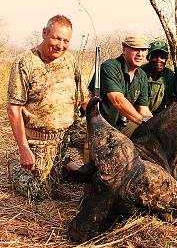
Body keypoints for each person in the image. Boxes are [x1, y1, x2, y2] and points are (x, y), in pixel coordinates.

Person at [7, 15, 91, 201]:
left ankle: (86, 177)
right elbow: (14, 109)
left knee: (101, 142)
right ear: (44, 33)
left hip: (70, 130)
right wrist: (23, 148)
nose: (60, 45)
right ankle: (15, 165)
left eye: (66, 41)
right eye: (56, 38)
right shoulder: (24, 63)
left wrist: (98, 122)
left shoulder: (71, 61)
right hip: (41, 138)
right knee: (41, 193)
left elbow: (84, 98)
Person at [89, 35, 153, 137]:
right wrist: (143, 121)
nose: (140, 54)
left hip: (122, 126)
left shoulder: (142, 75)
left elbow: (143, 109)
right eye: (136, 49)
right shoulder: (110, 67)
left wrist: (155, 124)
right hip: (99, 125)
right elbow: (117, 100)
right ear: (124, 49)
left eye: (144, 50)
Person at [141, 40, 174, 115]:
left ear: (166, 60)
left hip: (158, 116)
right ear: (148, 58)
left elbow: (169, 103)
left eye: (162, 57)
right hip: (138, 114)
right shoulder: (140, 73)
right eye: (154, 56)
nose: (158, 60)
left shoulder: (168, 75)